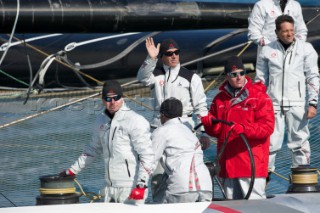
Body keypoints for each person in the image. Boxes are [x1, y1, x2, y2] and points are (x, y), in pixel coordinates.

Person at [59, 80, 154, 204]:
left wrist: (141, 184)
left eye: (116, 98)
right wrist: (72, 171)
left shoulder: (135, 120)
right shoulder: (101, 120)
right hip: (109, 187)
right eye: (108, 99)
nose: (113, 102)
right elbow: (92, 150)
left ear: (122, 97)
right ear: (103, 100)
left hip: (131, 187)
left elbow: (147, 155)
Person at [201, 56, 275, 199]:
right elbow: (216, 131)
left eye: (242, 73)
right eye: (234, 74)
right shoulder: (219, 99)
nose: (239, 77)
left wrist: (244, 129)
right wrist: (208, 123)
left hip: (251, 165)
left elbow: (267, 128)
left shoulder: (259, 97)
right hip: (228, 166)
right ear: (227, 76)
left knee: (255, 208)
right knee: (231, 208)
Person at [255, 15, 319, 174]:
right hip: (272, 105)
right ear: (277, 32)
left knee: (300, 143)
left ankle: (302, 182)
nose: (289, 34)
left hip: (297, 104)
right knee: (270, 144)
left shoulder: (306, 49)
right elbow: (260, 80)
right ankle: (263, 183)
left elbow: (312, 76)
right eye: (285, 31)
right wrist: (258, 104)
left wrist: (312, 103)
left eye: (291, 30)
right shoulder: (267, 50)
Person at [136, 38, 209, 142]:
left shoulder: (192, 78)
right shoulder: (155, 75)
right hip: (159, 128)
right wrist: (150, 58)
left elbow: (201, 107)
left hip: (183, 128)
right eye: (169, 53)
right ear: (162, 56)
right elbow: (141, 77)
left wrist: (204, 133)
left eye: (176, 52)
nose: (174, 56)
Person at [151, 97, 212, 203]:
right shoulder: (189, 131)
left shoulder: (161, 131)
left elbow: (149, 160)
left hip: (182, 187)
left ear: (162, 115)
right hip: (206, 185)